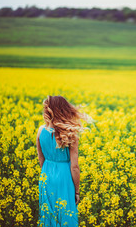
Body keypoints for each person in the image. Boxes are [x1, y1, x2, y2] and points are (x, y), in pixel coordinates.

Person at [36, 95, 88, 226]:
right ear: (64, 110)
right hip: (64, 177)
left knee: (48, 215)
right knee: (66, 216)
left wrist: (47, 173)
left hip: (46, 175)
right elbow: (74, 167)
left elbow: (40, 158)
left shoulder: (40, 131)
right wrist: (76, 191)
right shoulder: (70, 134)